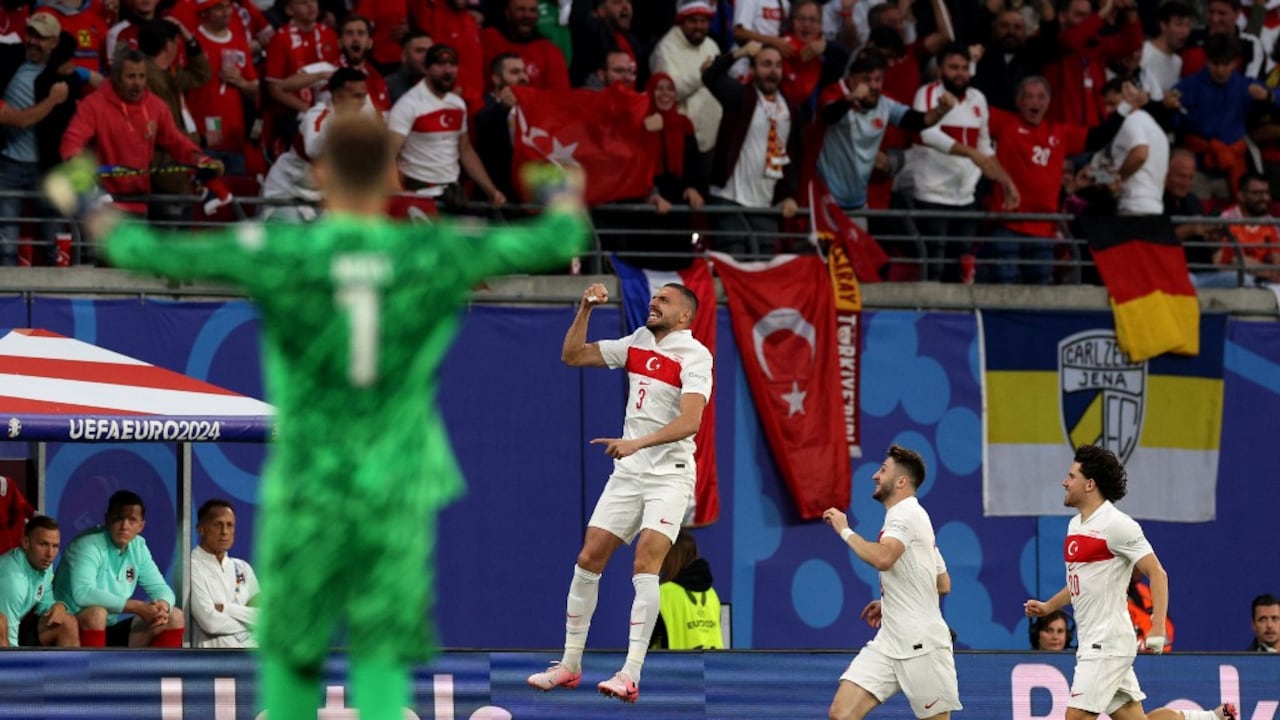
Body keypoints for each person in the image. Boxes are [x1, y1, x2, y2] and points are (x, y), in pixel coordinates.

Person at [80, 112, 588, 719]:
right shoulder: (432, 251)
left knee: (293, 660)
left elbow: (138, 246)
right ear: (395, 172)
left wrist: (84, 195)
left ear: (319, 174)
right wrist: (555, 189)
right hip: (394, 485)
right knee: (378, 660)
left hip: (310, 485)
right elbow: (559, 239)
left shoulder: (282, 249)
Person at [527, 280, 713, 703]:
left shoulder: (695, 355)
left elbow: (690, 423)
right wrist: (585, 309)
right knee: (588, 557)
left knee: (645, 562)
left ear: (684, 315)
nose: (653, 303)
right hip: (630, 473)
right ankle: (570, 664)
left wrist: (635, 443)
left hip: (670, 474)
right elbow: (572, 354)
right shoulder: (637, 341)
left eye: (664, 300)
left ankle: (630, 673)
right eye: (653, 298)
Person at [1023, 445, 1235, 720]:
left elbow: (1157, 573)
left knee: (1076, 717)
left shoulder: (1119, 525)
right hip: (1093, 642)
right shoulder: (1075, 525)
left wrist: (1157, 628)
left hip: (1107, 643)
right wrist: (1048, 606)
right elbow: (1081, 584)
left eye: (1071, 476)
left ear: (1089, 484)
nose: (1065, 481)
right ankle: (1213, 718)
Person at [821, 444, 959, 720]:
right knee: (841, 714)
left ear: (901, 481)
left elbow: (884, 559)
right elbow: (942, 583)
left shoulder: (905, 513)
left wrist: (845, 530)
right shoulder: (914, 519)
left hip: (923, 645)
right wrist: (892, 600)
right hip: (889, 642)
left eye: (883, 470)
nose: (874, 475)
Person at [60, 48, 223, 220]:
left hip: (139, 201)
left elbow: (175, 141)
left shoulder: (155, 106)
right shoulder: (93, 104)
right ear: (116, 78)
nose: (137, 83)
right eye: (130, 77)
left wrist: (200, 159)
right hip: (102, 202)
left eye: (142, 76)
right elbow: (71, 142)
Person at [905, 42, 1019, 281]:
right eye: (953, 67)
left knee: (960, 268)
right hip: (932, 196)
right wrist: (971, 153)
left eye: (964, 67)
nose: (960, 73)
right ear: (940, 69)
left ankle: (954, 319)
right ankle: (930, 316)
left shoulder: (978, 99)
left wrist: (1006, 181)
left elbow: (984, 147)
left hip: (966, 196)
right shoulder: (926, 94)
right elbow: (928, 134)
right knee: (932, 267)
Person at [816, 49, 956, 224]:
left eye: (878, 80)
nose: (874, 86)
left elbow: (917, 121)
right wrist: (850, 99)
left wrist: (941, 110)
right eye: (867, 80)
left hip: (858, 203)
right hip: (826, 200)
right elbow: (828, 116)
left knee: (859, 251)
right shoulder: (833, 95)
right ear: (852, 80)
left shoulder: (884, 104)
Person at [702, 40, 802, 256]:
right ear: (753, 69)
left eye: (777, 65)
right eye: (766, 64)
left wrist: (789, 194)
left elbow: (794, 157)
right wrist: (739, 53)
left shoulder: (791, 109)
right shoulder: (740, 96)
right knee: (733, 259)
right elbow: (710, 76)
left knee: (764, 266)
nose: (772, 71)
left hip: (766, 202)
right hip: (728, 196)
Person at [51, 490, 186, 648]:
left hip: (109, 628)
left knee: (175, 616)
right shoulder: (87, 545)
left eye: (132, 520)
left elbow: (161, 588)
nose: (124, 526)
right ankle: (94, 671)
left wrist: (162, 607)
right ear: (107, 519)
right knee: (96, 613)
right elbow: (83, 593)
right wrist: (137, 607)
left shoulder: (139, 547)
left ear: (141, 526)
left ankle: (152, 672)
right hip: (72, 628)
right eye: (119, 518)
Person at [388, 44, 507, 211]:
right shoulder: (408, 105)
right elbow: (387, 155)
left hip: (453, 194)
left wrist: (491, 191)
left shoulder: (457, 104)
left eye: (452, 64)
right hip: (418, 193)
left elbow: (465, 151)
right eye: (440, 64)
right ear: (427, 68)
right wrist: (399, 197)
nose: (448, 70)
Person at [0, 13, 69, 266]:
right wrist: (52, 101)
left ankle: (57, 303)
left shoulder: (63, 74)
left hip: (47, 169)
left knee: (53, 243)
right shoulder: (8, 61)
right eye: (30, 34)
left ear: (54, 42)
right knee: (5, 244)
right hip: (9, 164)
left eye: (41, 37)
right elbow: (22, 121)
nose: (32, 42)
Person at [260, 68, 370, 221]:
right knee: (289, 241)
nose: (362, 102)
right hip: (288, 191)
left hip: (321, 197)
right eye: (356, 96)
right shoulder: (316, 116)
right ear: (338, 96)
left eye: (364, 96)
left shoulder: (360, 123)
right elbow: (313, 150)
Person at [649, 0, 722, 165]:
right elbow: (666, 95)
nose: (699, 26)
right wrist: (700, 75)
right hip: (679, 141)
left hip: (711, 140)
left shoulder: (712, 46)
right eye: (693, 21)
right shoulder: (665, 49)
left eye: (703, 21)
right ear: (681, 21)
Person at [189, 499, 260, 648]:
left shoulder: (243, 568)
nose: (225, 532)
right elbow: (210, 623)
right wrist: (249, 623)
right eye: (218, 524)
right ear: (200, 529)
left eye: (230, 525)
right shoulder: (190, 565)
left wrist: (228, 609)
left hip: (254, 653)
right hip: (216, 661)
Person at [0, 516, 79, 648]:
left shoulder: (43, 564)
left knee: (67, 622)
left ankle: (69, 668)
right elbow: (8, 632)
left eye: (55, 546)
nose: (50, 553)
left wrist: (58, 606)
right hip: (5, 629)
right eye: (43, 544)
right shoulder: (13, 578)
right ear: (26, 543)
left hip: (15, 626)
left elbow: (45, 601)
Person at [650, 529, 723, 650]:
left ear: (669, 556)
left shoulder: (662, 593)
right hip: (713, 668)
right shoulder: (712, 594)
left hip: (675, 667)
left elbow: (644, 641)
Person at [386, 29, 431, 104]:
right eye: (419, 51)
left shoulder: (441, 85)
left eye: (430, 51)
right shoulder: (387, 87)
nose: (426, 56)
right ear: (404, 56)